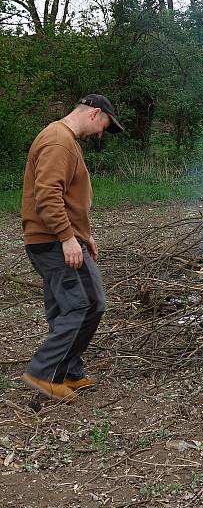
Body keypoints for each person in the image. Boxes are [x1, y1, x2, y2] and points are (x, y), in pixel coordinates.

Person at [20, 94, 123, 402]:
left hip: (52, 238)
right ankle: (43, 373)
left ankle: (69, 372)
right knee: (87, 304)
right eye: (105, 125)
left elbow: (66, 197)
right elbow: (47, 193)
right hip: (52, 240)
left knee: (66, 305)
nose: (102, 133)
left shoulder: (63, 139)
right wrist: (67, 237)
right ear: (95, 113)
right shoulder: (58, 141)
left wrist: (83, 234)